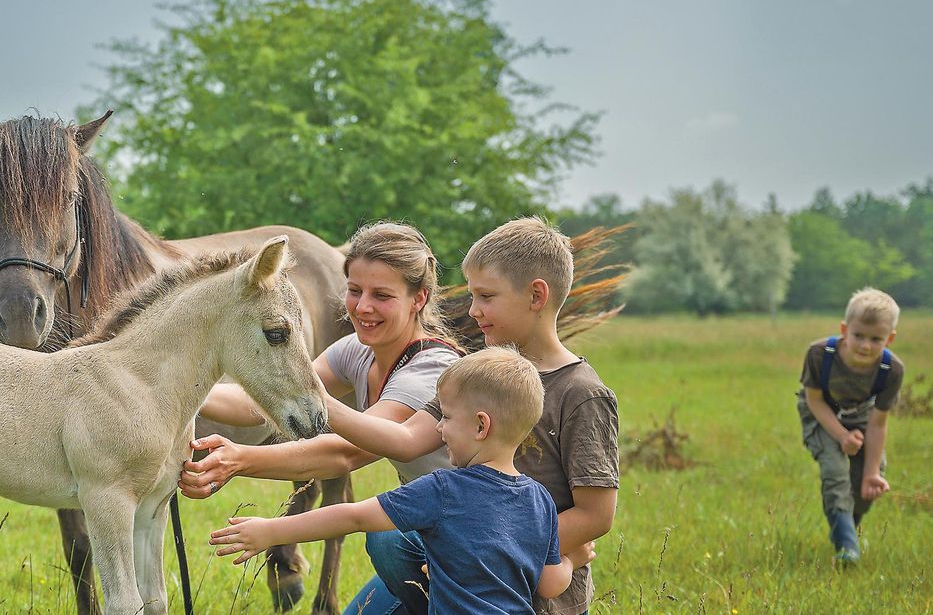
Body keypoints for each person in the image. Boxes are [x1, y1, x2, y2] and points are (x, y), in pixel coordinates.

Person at [319, 217, 618, 615]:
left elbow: (596, 515)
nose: (473, 310)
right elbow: (406, 439)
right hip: (463, 561)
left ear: (536, 295)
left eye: (486, 296)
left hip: (539, 590)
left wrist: (486, 553)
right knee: (388, 539)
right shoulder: (478, 373)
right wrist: (314, 401)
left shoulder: (582, 394)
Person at [184, 221, 462, 614]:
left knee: (386, 539)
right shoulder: (357, 350)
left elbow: (344, 454)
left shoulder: (430, 370)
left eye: (381, 295)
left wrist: (241, 460)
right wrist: (182, 389)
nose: (362, 307)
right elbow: (256, 405)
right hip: (425, 533)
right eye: (354, 290)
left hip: (467, 542)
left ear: (419, 299)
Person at [209, 347, 597, 614]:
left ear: (481, 425)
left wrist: (272, 531)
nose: (439, 429)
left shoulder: (444, 490)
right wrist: (572, 557)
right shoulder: (540, 500)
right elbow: (548, 585)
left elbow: (354, 517)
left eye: (445, 417)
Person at [796, 287, 904, 564]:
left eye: (876, 339)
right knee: (834, 470)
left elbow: (878, 424)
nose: (865, 345)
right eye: (858, 336)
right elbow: (815, 401)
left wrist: (870, 473)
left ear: (889, 339)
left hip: (863, 416)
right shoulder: (820, 354)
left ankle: (847, 528)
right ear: (844, 329)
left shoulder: (891, 370)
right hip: (821, 414)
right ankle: (847, 547)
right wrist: (842, 436)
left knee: (869, 479)